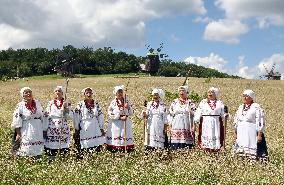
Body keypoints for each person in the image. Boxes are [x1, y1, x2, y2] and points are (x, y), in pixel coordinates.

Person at [232, 90, 268, 160]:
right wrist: (235, 132)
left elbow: (260, 120)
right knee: (241, 149)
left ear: (251, 98)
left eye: (247, 96)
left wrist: (259, 134)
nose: (245, 98)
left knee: (251, 149)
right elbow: (236, 120)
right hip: (241, 131)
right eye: (244, 96)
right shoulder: (240, 107)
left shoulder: (256, 107)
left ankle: (252, 161)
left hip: (251, 131)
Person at [11, 87, 44, 158]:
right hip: (26, 128)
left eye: (30, 92)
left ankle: (38, 158)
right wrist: (18, 133)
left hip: (38, 128)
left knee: (38, 146)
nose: (28, 94)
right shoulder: (20, 105)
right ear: (22, 95)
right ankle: (27, 159)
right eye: (26, 92)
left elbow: (42, 115)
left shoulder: (37, 103)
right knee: (27, 146)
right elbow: (17, 120)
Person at [73, 87, 105, 157]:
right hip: (85, 126)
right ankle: (85, 155)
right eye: (87, 93)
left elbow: (100, 116)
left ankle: (96, 155)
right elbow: (76, 116)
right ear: (84, 94)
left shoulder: (96, 104)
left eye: (90, 92)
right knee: (86, 143)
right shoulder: (80, 104)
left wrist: (101, 127)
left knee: (96, 142)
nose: (89, 94)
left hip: (95, 126)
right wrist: (76, 128)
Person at [43, 86, 73, 159]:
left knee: (63, 144)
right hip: (52, 126)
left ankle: (63, 158)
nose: (57, 92)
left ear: (62, 93)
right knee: (52, 143)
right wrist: (45, 128)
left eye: (59, 91)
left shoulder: (66, 103)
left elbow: (71, 117)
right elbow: (46, 115)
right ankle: (51, 158)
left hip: (63, 125)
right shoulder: (50, 103)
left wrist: (66, 111)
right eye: (56, 91)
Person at [194, 87, 225, 152]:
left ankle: (215, 150)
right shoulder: (203, 102)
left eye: (212, 92)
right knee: (205, 135)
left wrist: (226, 115)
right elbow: (199, 111)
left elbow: (223, 114)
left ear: (215, 94)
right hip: (205, 122)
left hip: (216, 122)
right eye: (209, 92)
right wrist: (196, 119)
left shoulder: (220, 103)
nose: (210, 94)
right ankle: (206, 150)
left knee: (215, 134)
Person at [106, 85, 134, 153]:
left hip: (125, 123)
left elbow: (131, 113)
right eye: (119, 92)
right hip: (116, 124)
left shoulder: (126, 101)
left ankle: (126, 150)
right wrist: (119, 117)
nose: (120, 93)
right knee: (116, 136)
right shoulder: (113, 102)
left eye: (121, 92)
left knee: (125, 136)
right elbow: (109, 113)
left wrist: (128, 107)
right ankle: (115, 150)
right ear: (115, 93)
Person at [168, 86, 196, 150]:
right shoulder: (174, 102)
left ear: (186, 92)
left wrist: (191, 111)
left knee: (186, 141)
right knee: (176, 140)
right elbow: (170, 114)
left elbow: (195, 115)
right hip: (176, 123)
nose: (181, 92)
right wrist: (169, 125)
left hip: (187, 124)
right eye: (180, 91)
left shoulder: (190, 102)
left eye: (183, 91)